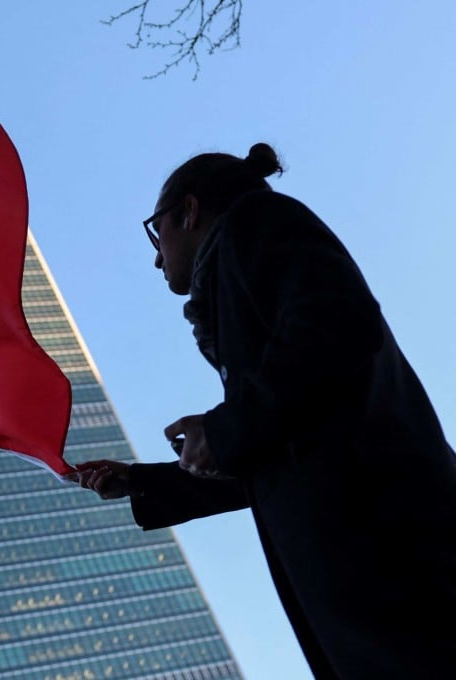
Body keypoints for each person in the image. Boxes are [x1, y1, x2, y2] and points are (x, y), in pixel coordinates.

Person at [74, 143, 456, 679]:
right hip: (373, 572)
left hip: (394, 556)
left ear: (188, 210)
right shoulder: (236, 283)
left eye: (157, 231)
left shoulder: (255, 221)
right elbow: (281, 458)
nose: (157, 255)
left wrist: (224, 430)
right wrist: (144, 481)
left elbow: (339, 326)